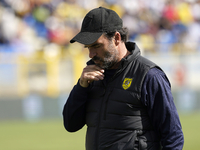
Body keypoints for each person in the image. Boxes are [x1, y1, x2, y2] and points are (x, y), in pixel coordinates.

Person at [62, 7, 184, 150]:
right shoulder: (90, 77)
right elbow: (71, 125)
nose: (91, 54)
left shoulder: (149, 75)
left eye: (96, 46)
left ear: (116, 38)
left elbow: (173, 136)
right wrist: (81, 87)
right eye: (88, 47)